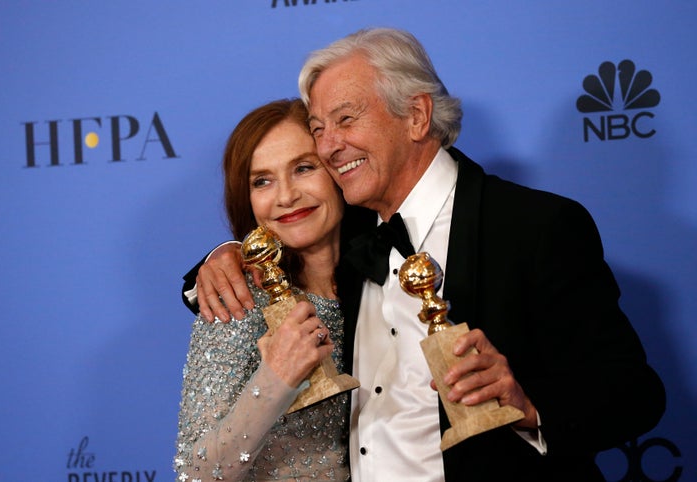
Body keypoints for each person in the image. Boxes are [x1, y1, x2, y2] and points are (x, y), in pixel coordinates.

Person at [182, 28, 665, 481]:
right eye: (319, 128)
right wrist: (224, 254)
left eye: (346, 119)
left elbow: (635, 394)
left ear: (416, 116)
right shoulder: (350, 233)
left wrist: (527, 404)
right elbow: (286, 237)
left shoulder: (535, 226)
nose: (329, 146)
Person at [174, 99, 353, 481]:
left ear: (340, 170)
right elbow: (196, 474)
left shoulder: (382, 282)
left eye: (304, 168)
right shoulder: (238, 302)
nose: (285, 196)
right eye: (262, 181)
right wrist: (277, 377)